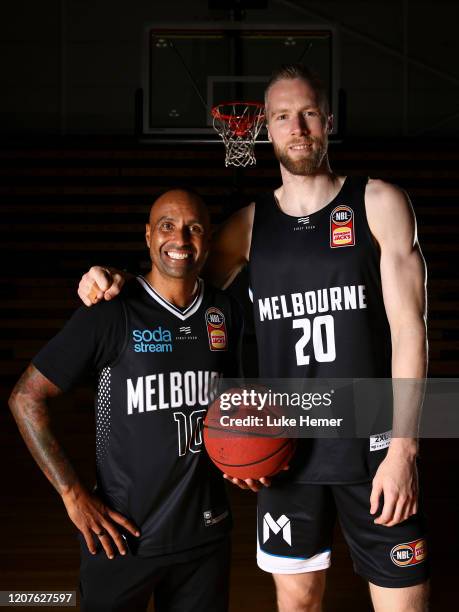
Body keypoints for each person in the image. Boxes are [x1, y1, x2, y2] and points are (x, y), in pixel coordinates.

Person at [77, 65, 429, 611]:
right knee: (297, 605)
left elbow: (410, 328)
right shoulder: (248, 225)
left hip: (374, 446)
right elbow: (173, 280)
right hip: (289, 452)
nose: (299, 127)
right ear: (266, 129)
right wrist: (115, 278)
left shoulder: (377, 202)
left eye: (309, 113)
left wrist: (404, 448)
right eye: (284, 116)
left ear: (328, 121)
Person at [8, 189, 244, 612]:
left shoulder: (224, 311)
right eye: (167, 226)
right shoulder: (112, 311)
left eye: (193, 229)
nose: (180, 239)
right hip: (121, 539)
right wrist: (72, 495)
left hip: (205, 538)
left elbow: (241, 405)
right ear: (149, 235)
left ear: (208, 240)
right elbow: (25, 398)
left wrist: (250, 458)